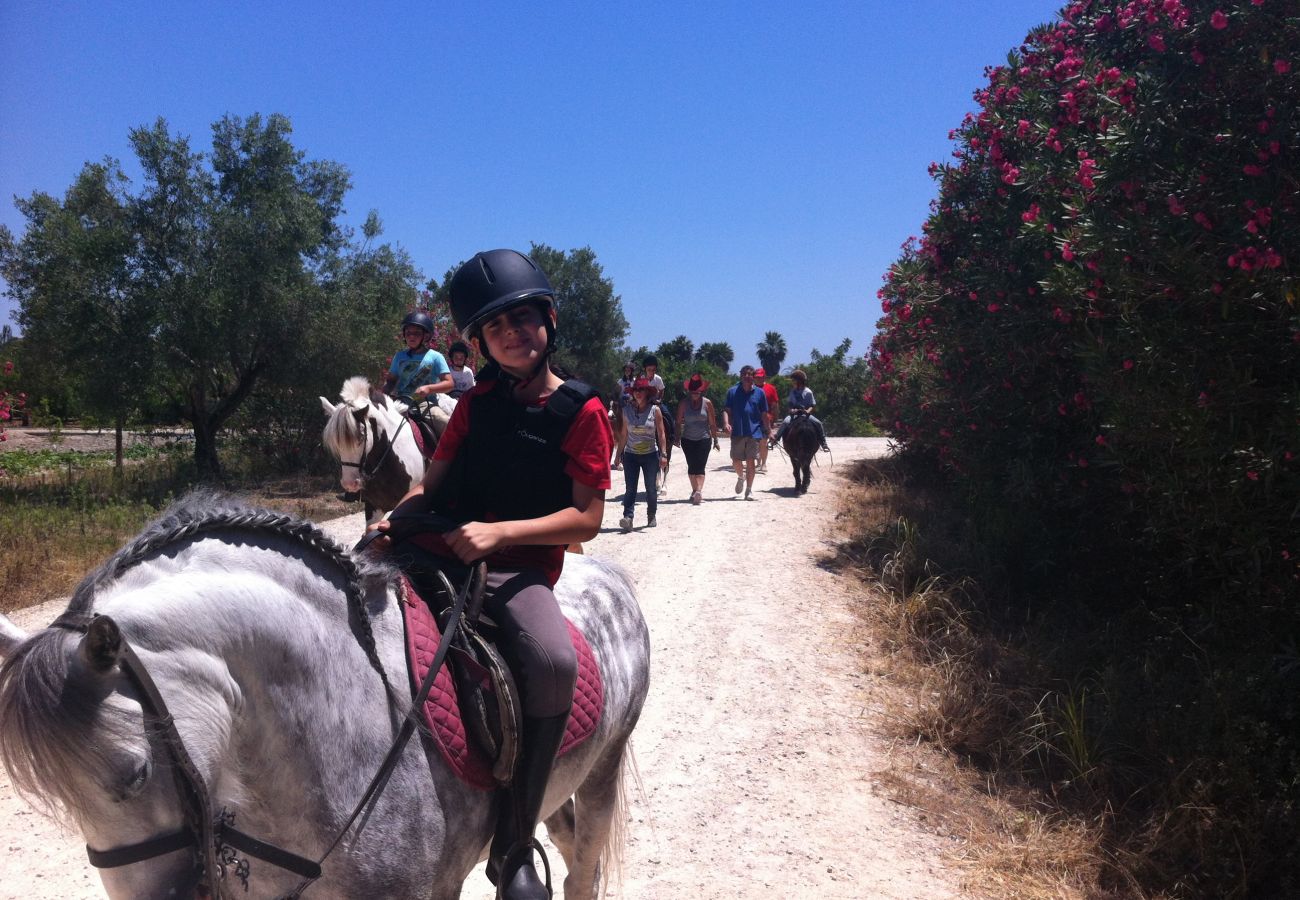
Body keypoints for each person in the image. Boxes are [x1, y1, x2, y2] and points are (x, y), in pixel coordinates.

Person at [370, 249, 612, 899]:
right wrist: (390, 522)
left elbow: (586, 518)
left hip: (517, 565)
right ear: (479, 342)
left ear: (549, 322)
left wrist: (501, 534)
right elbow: (433, 486)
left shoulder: (582, 413)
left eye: (523, 319)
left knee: (553, 660)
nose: (512, 334)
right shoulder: (473, 408)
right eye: (495, 328)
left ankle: (512, 843)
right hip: (441, 542)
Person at [613, 377, 667, 531]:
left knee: (650, 487)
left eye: (641, 390)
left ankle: (651, 514)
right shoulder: (626, 411)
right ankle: (628, 517)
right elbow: (623, 435)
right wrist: (617, 455)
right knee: (630, 488)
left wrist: (663, 454)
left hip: (650, 455)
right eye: (635, 390)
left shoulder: (655, 410)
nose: (638, 393)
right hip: (630, 455)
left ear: (647, 392)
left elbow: (661, 434)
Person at [721, 365, 770, 501]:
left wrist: (769, 431)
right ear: (741, 376)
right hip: (737, 431)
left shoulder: (760, 393)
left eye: (750, 374)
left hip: (754, 432)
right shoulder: (732, 392)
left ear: (753, 377)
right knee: (736, 461)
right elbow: (726, 410)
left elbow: (764, 414)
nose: (747, 376)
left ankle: (749, 490)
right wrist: (726, 423)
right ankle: (740, 477)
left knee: (750, 462)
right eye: (745, 374)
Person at [383, 311, 454, 403]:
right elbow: (391, 381)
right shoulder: (399, 356)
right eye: (408, 333)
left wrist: (429, 388)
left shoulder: (436, 357)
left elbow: (449, 383)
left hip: (425, 403)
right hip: (400, 402)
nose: (411, 336)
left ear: (426, 336)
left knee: (441, 417)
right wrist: (383, 393)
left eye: (416, 333)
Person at [675, 373, 720, 505]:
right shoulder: (683, 404)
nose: (695, 394)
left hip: (704, 439)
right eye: (693, 392)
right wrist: (677, 437)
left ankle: (699, 491)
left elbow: (712, 423)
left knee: (700, 466)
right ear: (689, 392)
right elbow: (678, 422)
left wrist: (716, 439)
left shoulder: (707, 404)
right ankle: (694, 490)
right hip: (687, 439)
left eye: (698, 392)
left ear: (701, 392)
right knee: (691, 466)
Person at [770, 368, 831, 452]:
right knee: (785, 422)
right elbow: (790, 404)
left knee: (818, 423)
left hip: (805, 414)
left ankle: (823, 442)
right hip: (794, 414)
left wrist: (807, 411)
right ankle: (775, 440)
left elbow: (812, 405)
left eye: (794, 381)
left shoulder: (808, 392)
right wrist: (791, 410)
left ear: (799, 381)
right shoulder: (792, 392)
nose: (792, 382)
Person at [754, 367, 780, 475]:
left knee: (763, 442)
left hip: (766, 418)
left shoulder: (770, 388)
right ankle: (758, 462)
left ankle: (763, 463)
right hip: (753, 419)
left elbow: (775, 405)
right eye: (756, 377)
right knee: (754, 442)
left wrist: (774, 419)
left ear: (764, 377)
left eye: (760, 377)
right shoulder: (750, 388)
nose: (758, 379)